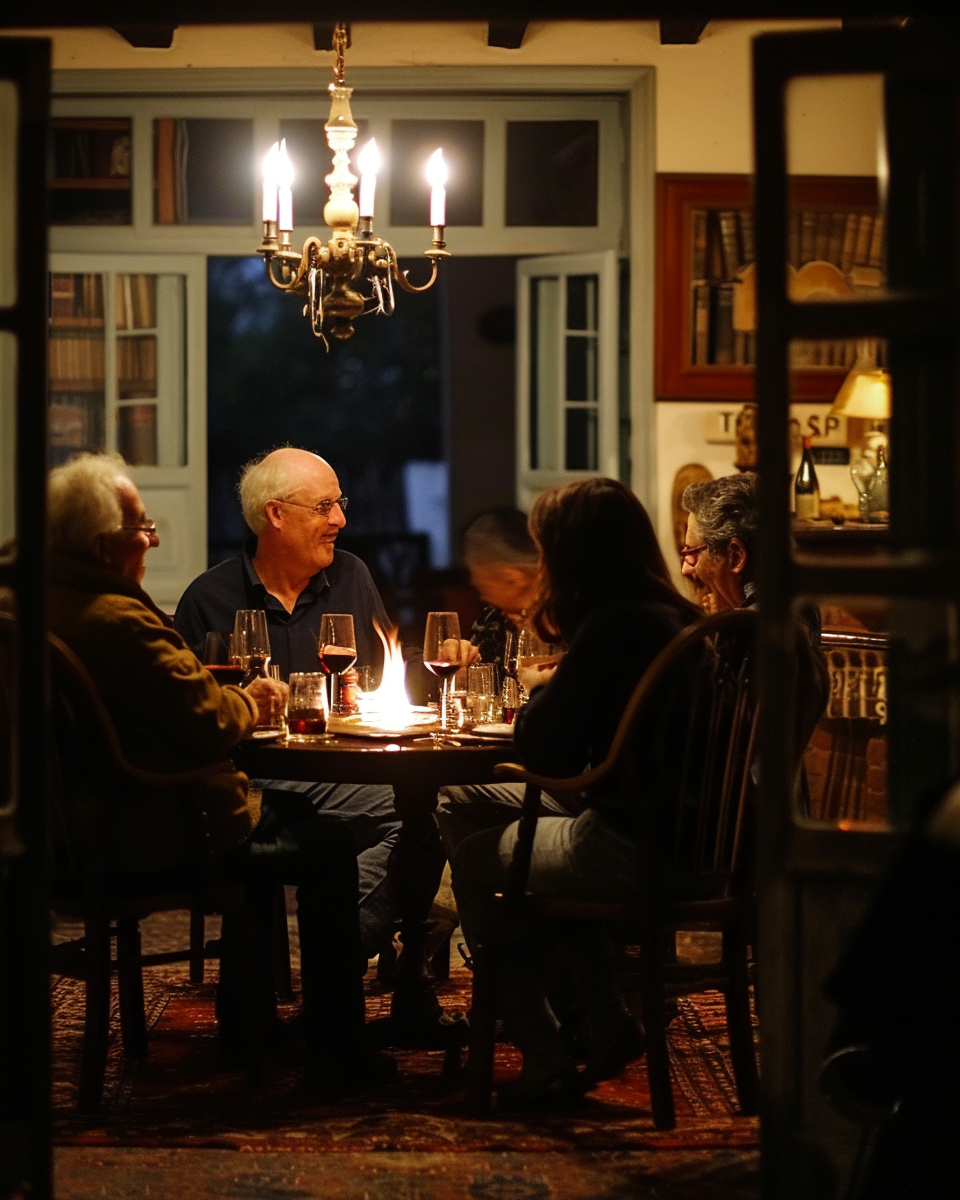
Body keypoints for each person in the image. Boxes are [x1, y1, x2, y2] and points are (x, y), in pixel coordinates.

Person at [34, 453, 391, 1085]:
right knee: (324, 843)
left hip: (74, 827)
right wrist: (248, 701)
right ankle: (337, 1046)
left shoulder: (36, 605)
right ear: (103, 544)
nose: (154, 540)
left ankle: (246, 1020)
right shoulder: (116, 620)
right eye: (142, 527)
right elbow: (207, 721)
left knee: (301, 818)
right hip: (158, 826)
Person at [441, 478, 701, 1105]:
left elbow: (546, 749)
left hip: (633, 847)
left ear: (573, 554)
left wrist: (535, 690)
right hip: (694, 840)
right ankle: (605, 1020)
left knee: (476, 863)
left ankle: (542, 1046)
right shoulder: (676, 617)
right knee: (459, 801)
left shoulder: (615, 626)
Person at [174, 447, 401, 959]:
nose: (340, 519)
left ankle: (342, 946)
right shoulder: (209, 599)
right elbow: (188, 716)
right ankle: (342, 956)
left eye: (339, 503)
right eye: (324, 507)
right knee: (425, 809)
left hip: (340, 768)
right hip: (253, 779)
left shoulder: (352, 577)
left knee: (421, 813)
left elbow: (384, 681)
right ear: (275, 515)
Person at [461, 507, 540, 672]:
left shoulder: (567, 625)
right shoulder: (492, 621)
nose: (473, 582)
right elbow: (479, 690)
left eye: (483, 580)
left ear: (513, 578)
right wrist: (462, 661)